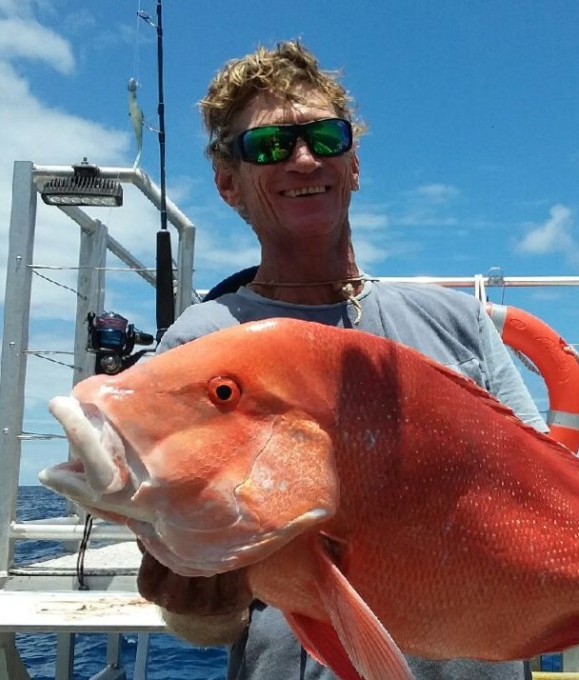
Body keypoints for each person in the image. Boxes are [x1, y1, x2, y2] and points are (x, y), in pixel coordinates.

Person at [138, 40, 542, 680]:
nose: (303, 159)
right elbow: (203, 628)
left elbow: (548, 503)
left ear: (352, 164)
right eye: (269, 147)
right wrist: (193, 597)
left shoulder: (461, 323)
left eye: (325, 138)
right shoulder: (201, 345)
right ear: (227, 184)